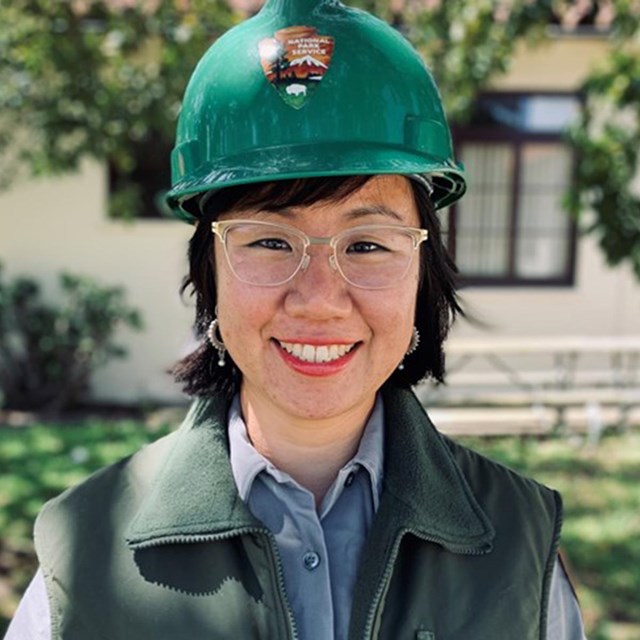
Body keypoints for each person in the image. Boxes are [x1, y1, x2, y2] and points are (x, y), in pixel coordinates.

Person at [6, 0, 587, 638]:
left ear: (424, 272)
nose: (318, 299)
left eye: (367, 245)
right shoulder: (85, 556)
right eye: (269, 242)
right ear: (210, 272)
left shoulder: (520, 546)